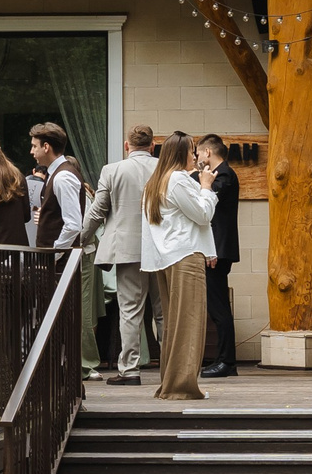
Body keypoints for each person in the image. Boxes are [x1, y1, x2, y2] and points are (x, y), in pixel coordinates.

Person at [76, 125, 157, 384]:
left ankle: (130, 369)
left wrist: (80, 240)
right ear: (152, 146)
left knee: (130, 310)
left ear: (126, 146)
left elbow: (97, 211)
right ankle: (171, 368)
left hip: (127, 249)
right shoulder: (165, 170)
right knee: (164, 311)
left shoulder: (112, 171)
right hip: (161, 249)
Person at [140, 133, 216, 402]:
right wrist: (206, 186)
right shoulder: (177, 180)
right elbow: (202, 215)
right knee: (189, 322)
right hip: (185, 256)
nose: (195, 157)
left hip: (168, 257)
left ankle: (170, 384)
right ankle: (181, 387)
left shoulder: (157, 181)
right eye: (192, 151)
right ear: (182, 153)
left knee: (174, 324)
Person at [195, 134, 242, 379]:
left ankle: (227, 362)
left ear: (208, 153)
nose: (196, 157)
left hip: (217, 251)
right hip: (216, 249)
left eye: (198, 153)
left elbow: (209, 210)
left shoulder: (223, 175)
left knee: (219, 308)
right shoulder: (219, 174)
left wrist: (209, 249)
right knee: (217, 306)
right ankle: (223, 359)